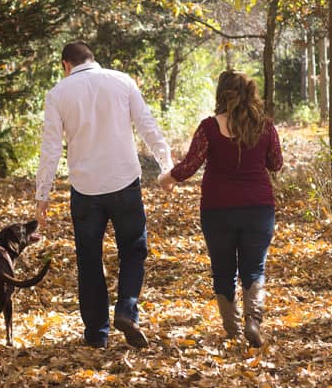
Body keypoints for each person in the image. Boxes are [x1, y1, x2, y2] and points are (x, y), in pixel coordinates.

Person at [35, 42, 173, 349]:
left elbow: (51, 148)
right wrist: (167, 165)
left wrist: (42, 194)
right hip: (124, 182)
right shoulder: (122, 81)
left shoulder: (58, 94)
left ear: (65, 65)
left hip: (85, 190)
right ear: (92, 59)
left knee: (89, 260)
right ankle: (127, 308)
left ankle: (97, 334)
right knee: (134, 250)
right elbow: (147, 126)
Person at [159, 70, 283, 347]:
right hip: (258, 207)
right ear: (251, 93)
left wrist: (167, 178)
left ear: (221, 94)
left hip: (218, 209)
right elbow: (276, 163)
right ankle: (253, 321)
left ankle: (233, 330)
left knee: (223, 270)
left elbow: (191, 165)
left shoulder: (209, 127)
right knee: (254, 269)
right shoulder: (265, 126)